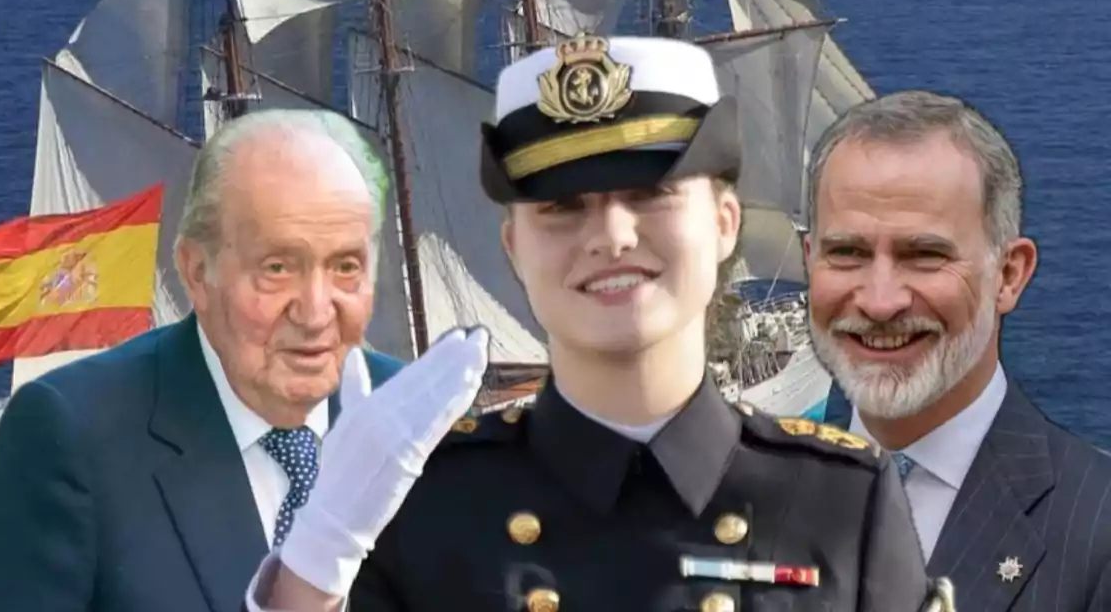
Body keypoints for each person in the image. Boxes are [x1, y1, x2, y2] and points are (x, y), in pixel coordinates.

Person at [246, 35, 958, 612]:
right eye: (561, 207)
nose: (610, 234)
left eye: (650, 194)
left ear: (723, 224)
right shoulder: (418, 507)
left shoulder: (842, 505)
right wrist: (310, 575)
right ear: (513, 248)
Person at [0, 108, 405, 612]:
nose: (316, 313)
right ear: (197, 272)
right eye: (277, 267)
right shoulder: (67, 439)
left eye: (345, 267)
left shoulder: (419, 420)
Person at [806, 90, 1111, 611]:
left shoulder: (1096, 530)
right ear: (808, 261)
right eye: (847, 253)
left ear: (1008, 275)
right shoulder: (738, 501)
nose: (880, 302)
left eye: (925, 255)